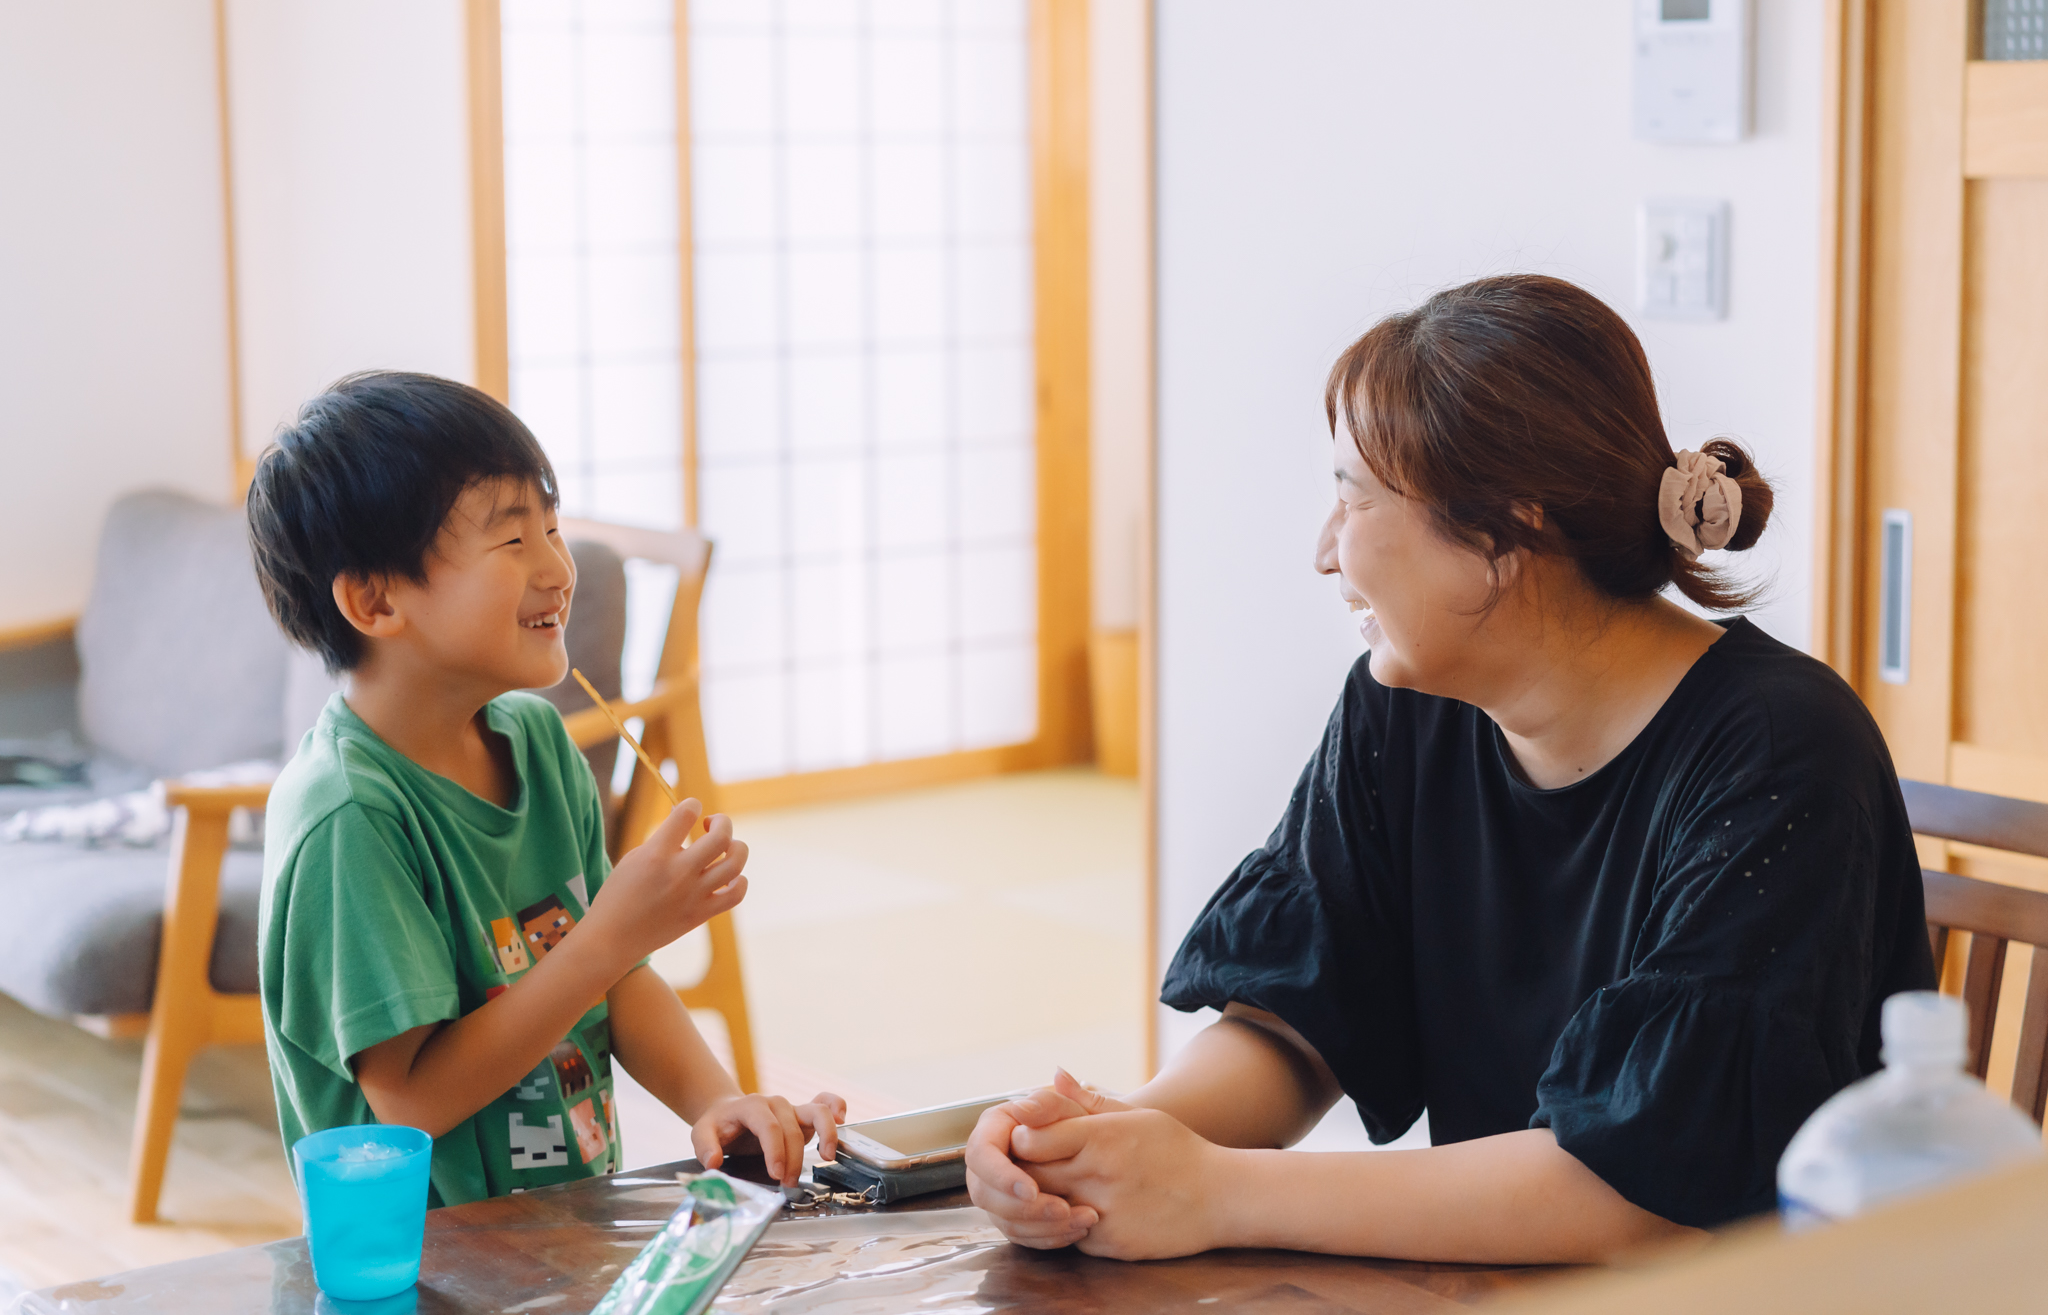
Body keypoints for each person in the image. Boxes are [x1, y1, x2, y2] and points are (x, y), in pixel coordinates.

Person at [965, 275, 1936, 1262]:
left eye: (1350, 495)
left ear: (1503, 535)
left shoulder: (1782, 751)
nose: (1323, 551)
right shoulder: (1401, 709)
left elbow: (1641, 1188)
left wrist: (1217, 1192)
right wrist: (1106, 1146)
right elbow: (1299, 1016)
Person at [249, 371, 842, 1206]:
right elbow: (411, 1103)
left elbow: (620, 980)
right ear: (375, 598)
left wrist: (716, 1101)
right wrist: (607, 935)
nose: (559, 568)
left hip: (566, 1232)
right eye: (512, 540)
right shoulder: (349, 816)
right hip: (429, 1267)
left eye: (553, 526)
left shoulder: (536, 741)